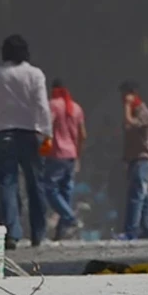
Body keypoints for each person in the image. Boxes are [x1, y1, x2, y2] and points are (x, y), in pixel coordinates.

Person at [0, 34, 53, 250]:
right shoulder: (35, 74)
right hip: (30, 134)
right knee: (35, 184)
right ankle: (38, 233)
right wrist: (47, 133)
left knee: (7, 185)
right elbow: (42, 105)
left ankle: (12, 233)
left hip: (4, 134)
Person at [45, 78, 87, 240]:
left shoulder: (53, 105)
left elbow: (46, 126)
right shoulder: (76, 108)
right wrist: (78, 156)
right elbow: (83, 135)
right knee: (66, 192)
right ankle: (61, 232)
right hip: (71, 155)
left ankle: (70, 218)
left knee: (50, 189)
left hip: (56, 155)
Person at [117, 80, 148, 240]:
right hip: (135, 161)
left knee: (136, 196)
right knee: (143, 198)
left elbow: (129, 123)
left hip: (142, 161)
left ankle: (130, 232)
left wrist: (127, 105)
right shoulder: (135, 111)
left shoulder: (142, 112)